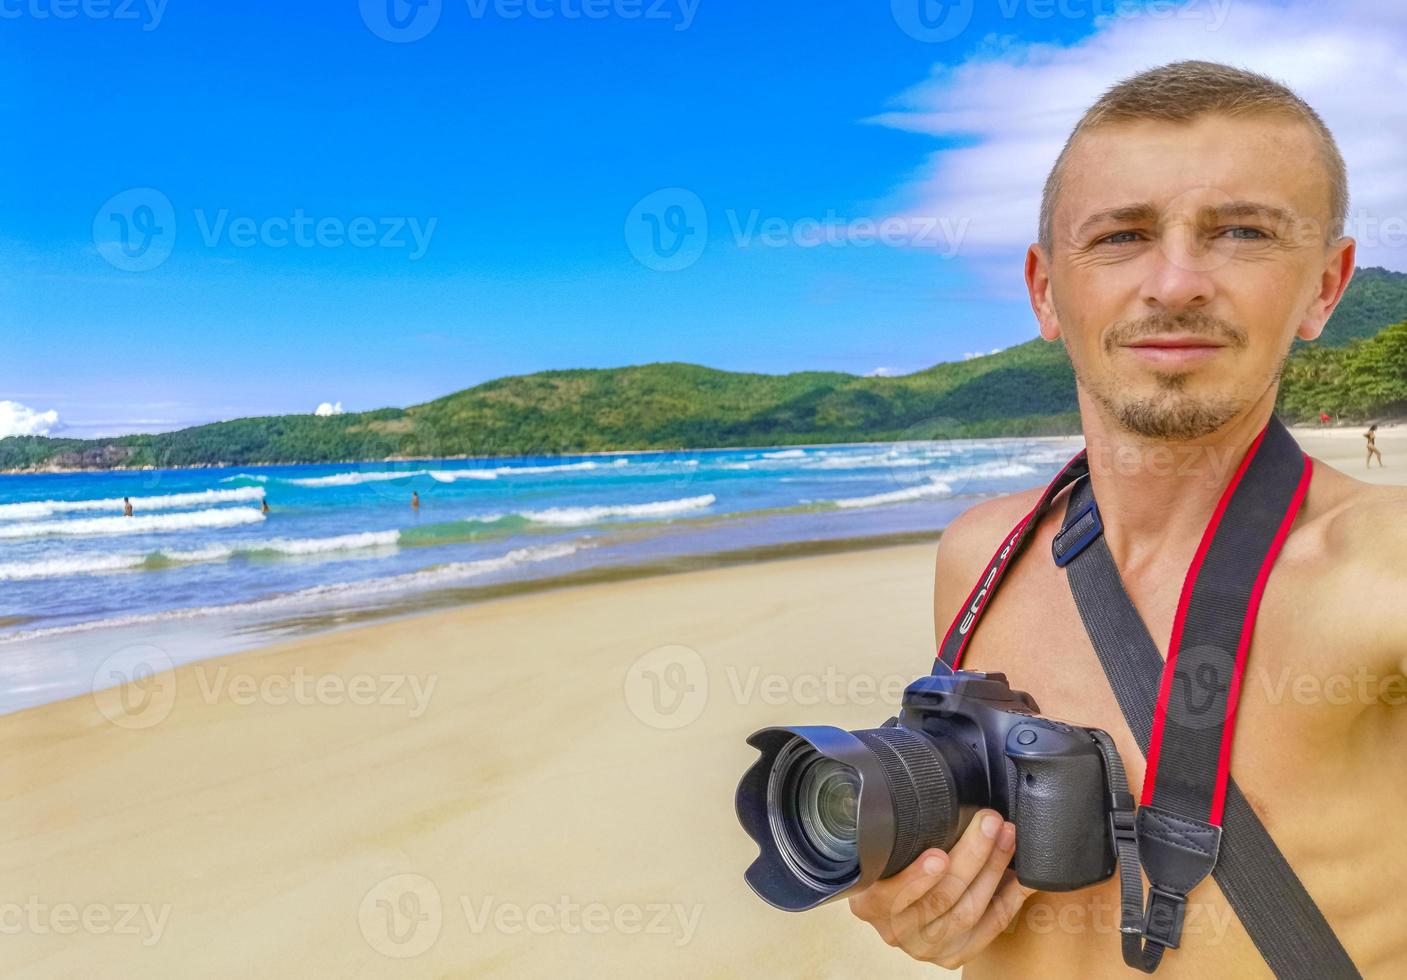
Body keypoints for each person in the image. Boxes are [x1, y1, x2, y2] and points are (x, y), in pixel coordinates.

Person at [846, 61, 1405, 976]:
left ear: (1324, 287)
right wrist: (922, 902)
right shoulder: (980, 555)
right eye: (1120, 236)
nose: (1176, 281)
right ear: (1042, 290)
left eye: (1241, 232)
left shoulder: (1378, 569)